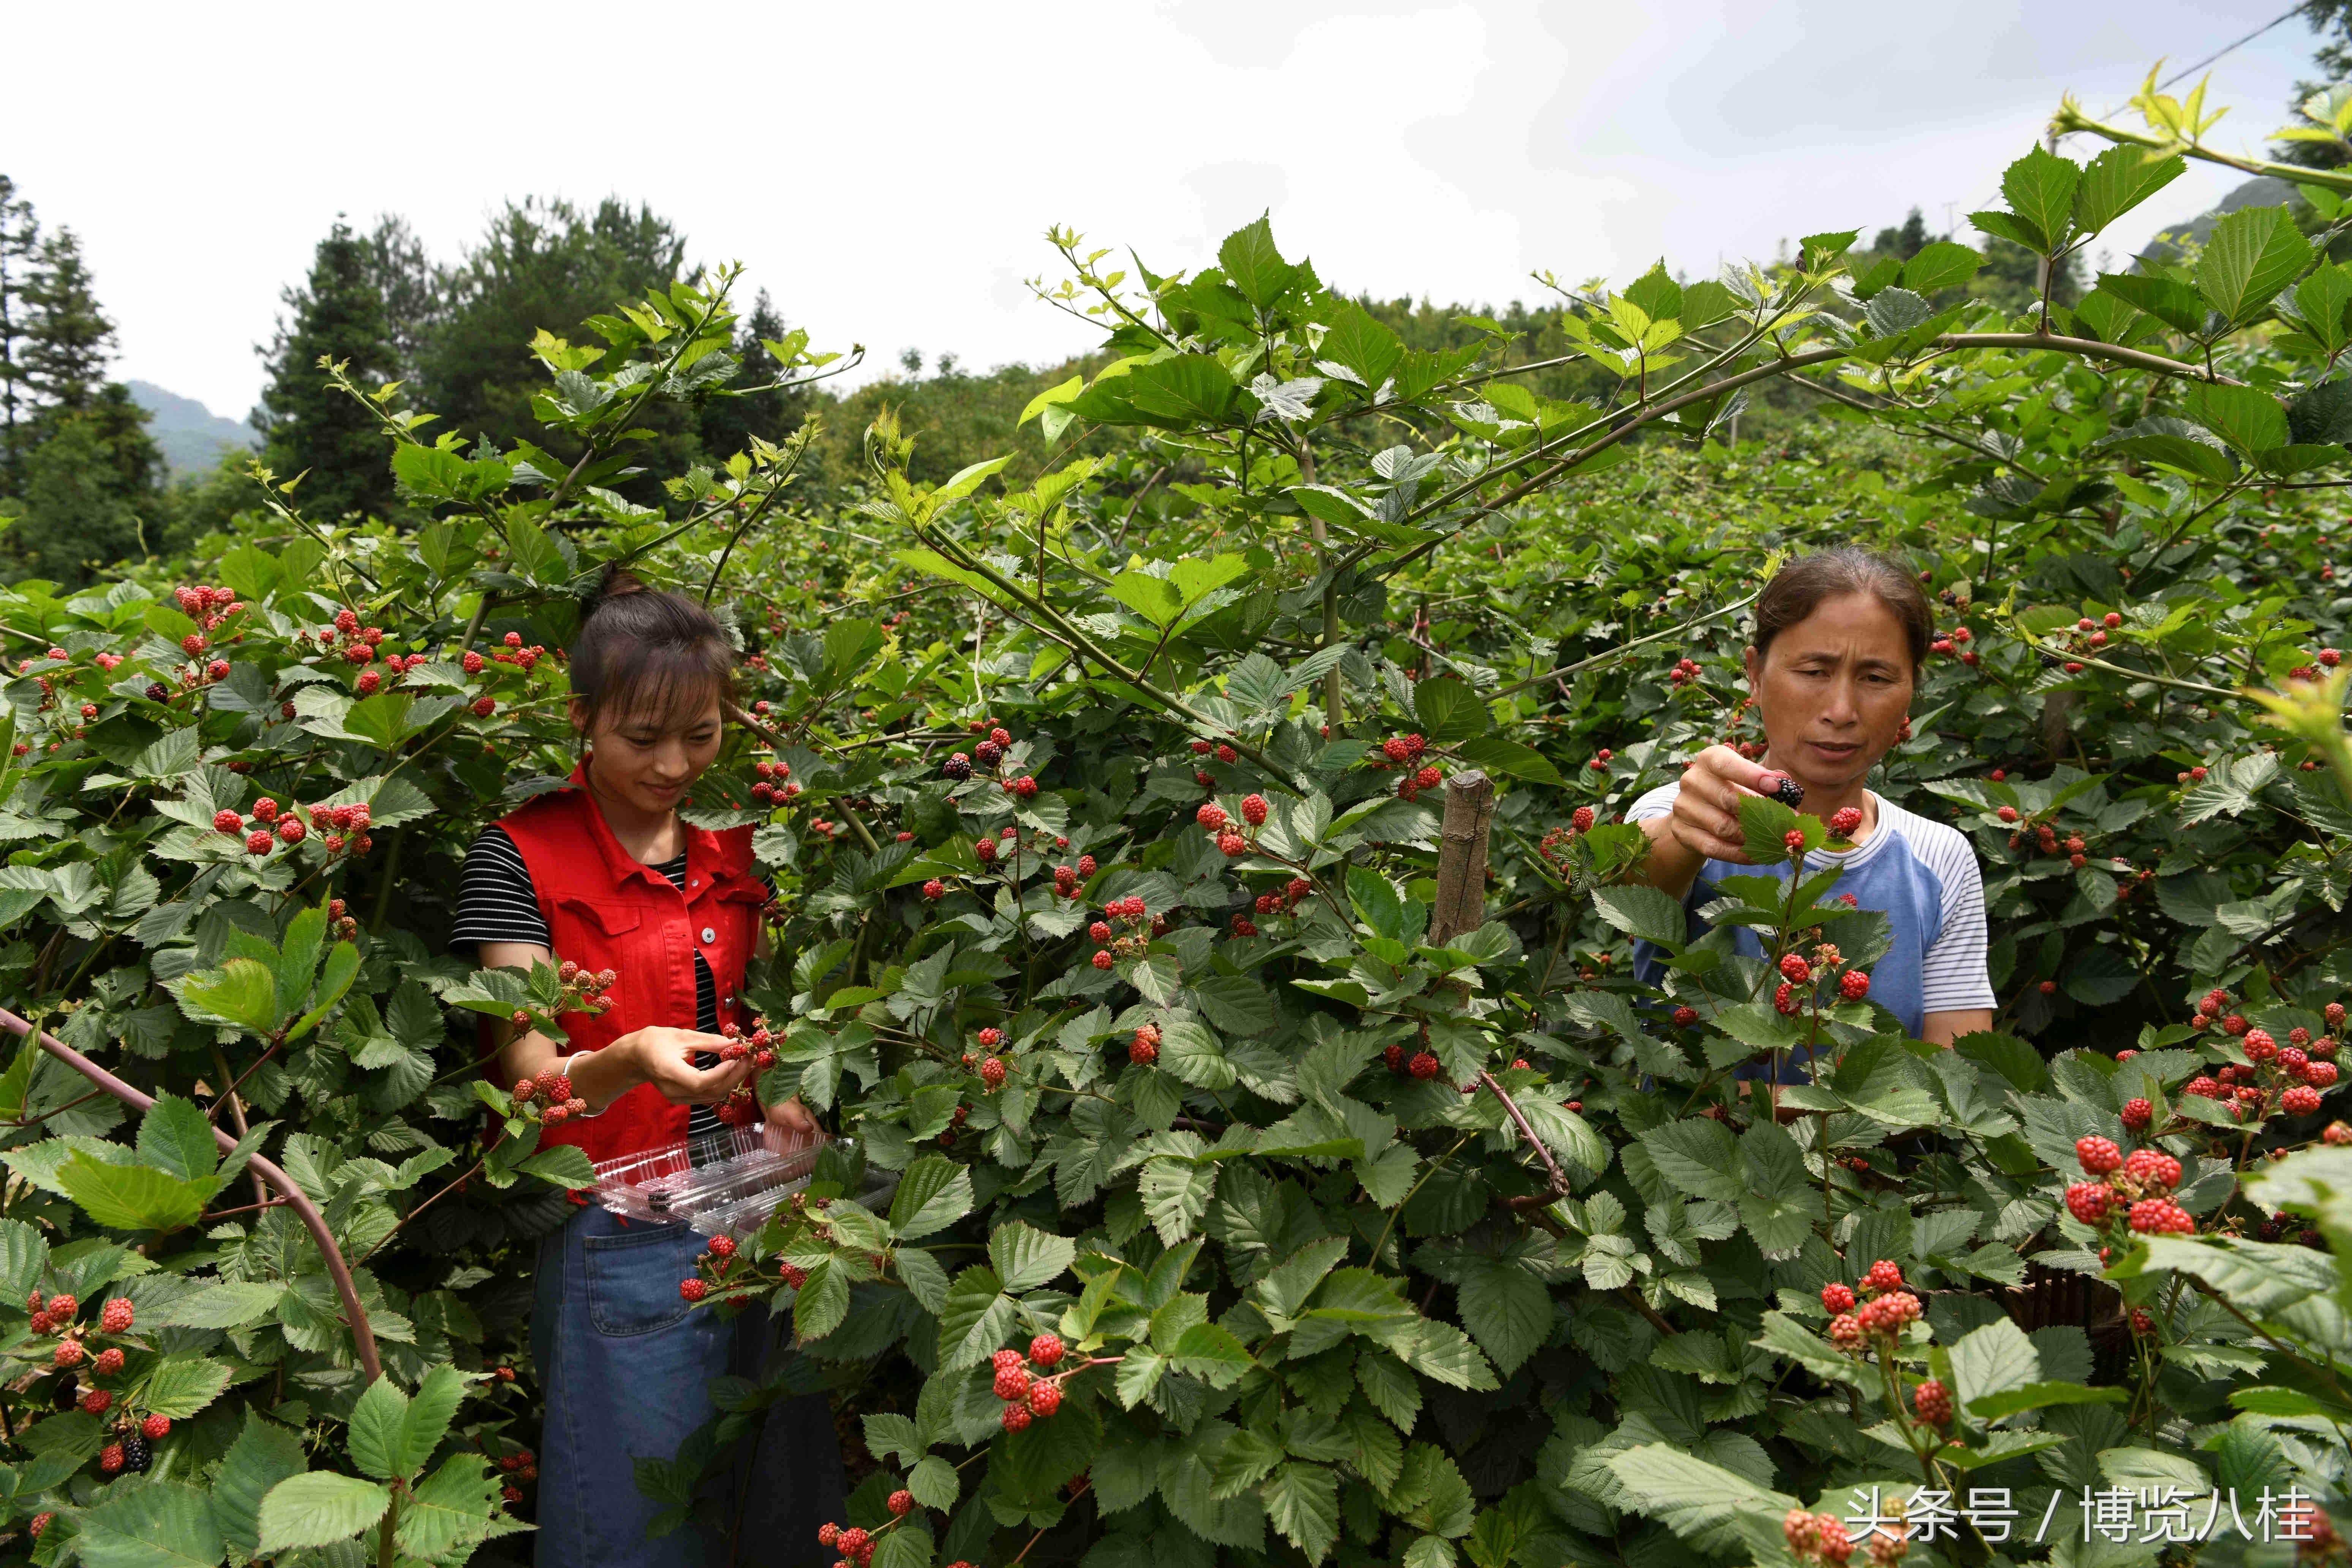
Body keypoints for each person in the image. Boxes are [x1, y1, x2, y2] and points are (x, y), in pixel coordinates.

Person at [449, 566, 841, 1566]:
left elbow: (776, 1015)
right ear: (582, 718)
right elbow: (530, 1082)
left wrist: (789, 1099)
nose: (674, 764)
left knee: (778, 1510)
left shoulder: (746, 847)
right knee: (632, 1532)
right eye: (641, 738)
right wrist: (624, 1059)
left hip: (760, 1216)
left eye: (701, 735)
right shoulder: (518, 857)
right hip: (617, 1236)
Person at [1628, 548, 1996, 1072]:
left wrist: (1767, 1110)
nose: (1841, 711)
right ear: (1755, 675)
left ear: (1913, 688)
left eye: (1876, 678)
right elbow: (1634, 886)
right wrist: (1684, 832)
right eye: (1814, 670)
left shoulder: (1941, 856)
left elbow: (1954, 1075)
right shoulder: (1686, 812)